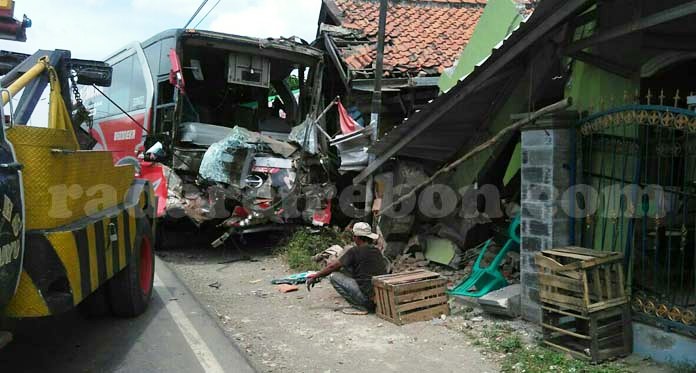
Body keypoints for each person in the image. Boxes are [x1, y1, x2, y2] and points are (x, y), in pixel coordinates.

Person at [306, 222, 388, 315]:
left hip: (367, 300)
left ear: (356, 237)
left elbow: (333, 266)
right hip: (380, 298)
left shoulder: (354, 251)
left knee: (333, 276)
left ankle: (360, 307)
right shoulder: (376, 251)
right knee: (346, 270)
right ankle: (364, 302)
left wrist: (315, 276)